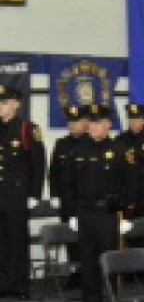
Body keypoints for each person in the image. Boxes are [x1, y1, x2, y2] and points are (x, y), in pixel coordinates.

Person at [63, 104, 135, 302]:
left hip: (108, 214)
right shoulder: (78, 150)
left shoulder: (120, 150)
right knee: (88, 264)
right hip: (85, 214)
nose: (93, 127)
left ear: (108, 125)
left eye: (98, 123)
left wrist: (127, 215)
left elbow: (131, 185)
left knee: (109, 263)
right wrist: (71, 214)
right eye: (91, 123)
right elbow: (68, 184)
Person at [0, 85, 45, 300]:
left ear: (16, 104)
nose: (0, 107)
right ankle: (3, 283)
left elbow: (38, 164)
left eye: (4, 102)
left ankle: (20, 285)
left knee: (17, 241)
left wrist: (34, 195)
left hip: (18, 196)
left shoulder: (27, 129)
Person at [49, 104, 89, 278]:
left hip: (86, 201)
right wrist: (55, 194)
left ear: (86, 123)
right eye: (70, 122)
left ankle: (88, 273)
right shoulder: (61, 144)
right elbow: (53, 172)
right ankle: (75, 273)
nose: (72, 125)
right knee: (70, 237)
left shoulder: (91, 143)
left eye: (77, 122)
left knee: (88, 239)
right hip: (67, 200)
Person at [116, 103, 144, 218]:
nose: (133, 122)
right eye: (131, 118)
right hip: (125, 198)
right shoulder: (120, 141)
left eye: (137, 119)